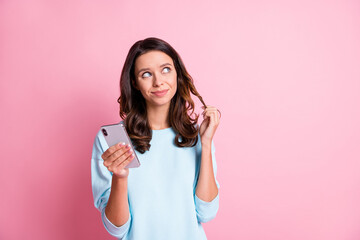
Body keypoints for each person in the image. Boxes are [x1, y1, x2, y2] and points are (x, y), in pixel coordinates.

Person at [91, 37, 221, 240]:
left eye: (166, 69)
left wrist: (205, 143)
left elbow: (207, 212)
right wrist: (120, 177)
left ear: (177, 73)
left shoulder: (197, 135)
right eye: (146, 74)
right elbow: (117, 229)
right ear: (134, 82)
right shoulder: (114, 141)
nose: (158, 81)